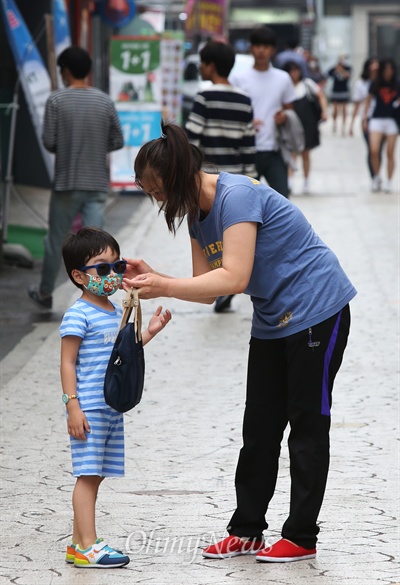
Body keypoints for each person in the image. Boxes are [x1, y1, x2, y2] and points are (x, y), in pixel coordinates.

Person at [123, 121, 357, 563]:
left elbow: (235, 276)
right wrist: (152, 274)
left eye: (157, 191)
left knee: (306, 425)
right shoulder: (196, 213)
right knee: (260, 428)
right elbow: (210, 289)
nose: (156, 200)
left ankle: (302, 537)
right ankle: (247, 530)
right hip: (273, 319)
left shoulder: (238, 196)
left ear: (175, 178)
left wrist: (163, 284)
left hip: (317, 309)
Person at [60, 227, 171, 568]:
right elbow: (66, 361)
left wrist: (148, 332)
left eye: (117, 266)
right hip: (89, 407)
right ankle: (88, 546)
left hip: (110, 406)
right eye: (102, 268)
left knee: (97, 473)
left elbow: (122, 356)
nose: (112, 275)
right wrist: (72, 406)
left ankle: (80, 544)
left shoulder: (113, 311)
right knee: (88, 474)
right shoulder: (78, 314)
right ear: (80, 276)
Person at [28, 46, 124, 310]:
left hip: (66, 183)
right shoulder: (105, 101)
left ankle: (46, 293)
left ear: (66, 71)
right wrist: (96, 145)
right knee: (97, 245)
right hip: (96, 183)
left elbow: (49, 141)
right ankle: (99, 295)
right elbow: (118, 140)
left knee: (56, 240)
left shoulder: (56, 100)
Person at [186, 40, 256, 313]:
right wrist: (251, 180)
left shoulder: (204, 97)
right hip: (238, 181)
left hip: (210, 180)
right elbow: (249, 145)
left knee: (215, 240)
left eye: (203, 63)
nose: (201, 68)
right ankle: (230, 283)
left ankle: (223, 284)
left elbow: (191, 140)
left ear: (210, 66)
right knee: (237, 237)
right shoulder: (243, 99)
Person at [229, 26, 297, 198]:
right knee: (244, 202)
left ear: (273, 50)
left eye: (266, 46)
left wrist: (283, 117)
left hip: (275, 150)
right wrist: (247, 123)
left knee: (282, 201)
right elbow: (232, 114)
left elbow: (290, 110)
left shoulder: (283, 78)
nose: (261, 50)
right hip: (246, 151)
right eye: (257, 45)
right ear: (251, 48)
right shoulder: (238, 79)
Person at [283, 61, 328, 194]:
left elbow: (321, 95)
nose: (294, 74)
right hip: (291, 124)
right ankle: (290, 179)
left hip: (307, 123)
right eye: (291, 71)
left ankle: (306, 180)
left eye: (296, 70)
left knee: (306, 153)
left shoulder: (307, 84)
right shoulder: (285, 85)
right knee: (291, 153)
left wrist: (324, 111)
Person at [363, 58, 400, 193]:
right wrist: (365, 118)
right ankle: (377, 176)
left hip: (392, 120)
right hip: (377, 118)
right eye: (386, 70)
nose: (388, 72)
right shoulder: (376, 83)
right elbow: (367, 100)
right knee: (374, 150)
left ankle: (389, 180)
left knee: (390, 152)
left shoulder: (397, 84)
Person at [349, 57, 380, 179]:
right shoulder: (361, 84)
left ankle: (377, 172)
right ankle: (374, 175)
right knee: (372, 149)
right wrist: (352, 124)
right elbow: (357, 105)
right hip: (367, 118)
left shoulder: (382, 83)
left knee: (378, 150)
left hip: (380, 117)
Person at [327, 55, 352, 135]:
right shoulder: (334, 68)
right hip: (336, 90)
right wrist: (336, 69)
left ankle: (343, 127)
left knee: (344, 109)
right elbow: (328, 74)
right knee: (335, 109)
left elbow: (348, 76)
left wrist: (341, 70)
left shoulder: (347, 68)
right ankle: (334, 124)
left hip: (344, 90)